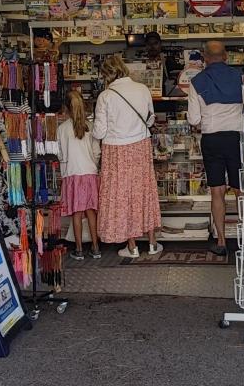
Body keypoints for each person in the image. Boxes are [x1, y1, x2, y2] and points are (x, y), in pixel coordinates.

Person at [94, 54, 163, 258]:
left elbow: (99, 132)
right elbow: (150, 120)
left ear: (106, 75)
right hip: (140, 146)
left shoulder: (105, 96)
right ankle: (152, 243)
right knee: (144, 191)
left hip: (116, 150)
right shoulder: (142, 89)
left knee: (122, 195)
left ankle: (132, 247)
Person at [188, 40, 244, 254]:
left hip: (211, 139)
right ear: (226, 56)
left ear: (205, 58)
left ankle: (221, 241)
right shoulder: (240, 78)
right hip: (235, 138)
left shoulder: (198, 81)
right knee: (241, 190)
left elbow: (193, 119)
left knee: (217, 191)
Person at [55, 92, 102, 259]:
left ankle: (79, 249)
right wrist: (93, 165)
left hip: (73, 174)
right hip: (90, 173)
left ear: (66, 108)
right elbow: (97, 152)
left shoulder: (62, 129)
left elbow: (61, 154)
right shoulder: (90, 126)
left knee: (77, 213)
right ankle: (96, 248)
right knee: (91, 211)